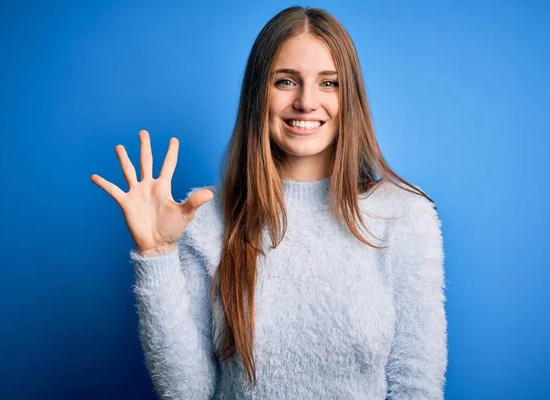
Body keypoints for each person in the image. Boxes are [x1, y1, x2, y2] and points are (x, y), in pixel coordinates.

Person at [91, 5, 447, 399]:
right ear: (258, 93)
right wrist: (157, 256)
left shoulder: (404, 215)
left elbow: (416, 385)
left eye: (329, 83)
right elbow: (188, 393)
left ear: (352, 98)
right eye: (286, 81)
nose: (307, 102)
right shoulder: (207, 219)